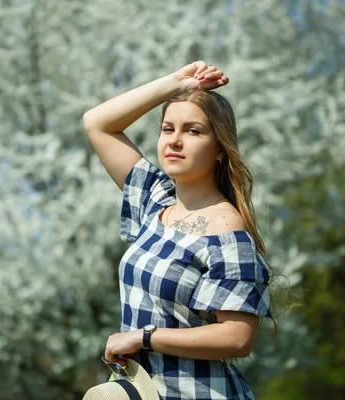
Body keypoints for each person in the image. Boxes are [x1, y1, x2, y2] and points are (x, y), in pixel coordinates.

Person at [83, 61, 274, 400]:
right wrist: (174, 83)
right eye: (168, 128)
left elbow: (237, 338)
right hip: (146, 392)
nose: (175, 141)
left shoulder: (226, 229)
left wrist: (144, 338)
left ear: (219, 149)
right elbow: (97, 123)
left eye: (193, 131)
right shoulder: (155, 201)